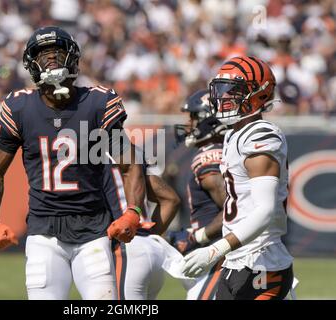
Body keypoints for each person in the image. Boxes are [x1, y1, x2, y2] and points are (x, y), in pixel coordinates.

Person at [0, 26, 146, 300]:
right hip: (44, 233)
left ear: (73, 58)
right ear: (31, 64)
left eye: (57, 52)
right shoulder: (20, 108)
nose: (51, 59)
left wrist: (133, 211)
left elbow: (129, 165)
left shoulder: (97, 103)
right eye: (43, 54)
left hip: (93, 230)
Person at [181, 56, 294, 300]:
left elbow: (266, 211)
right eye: (221, 90)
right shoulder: (234, 134)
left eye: (233, 92)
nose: (223, 98)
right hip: (237, 261)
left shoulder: (261, 135)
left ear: (259, 95)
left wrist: (215, 249)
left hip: (262, 263)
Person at [171, 89, 228, 300]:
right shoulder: (226, 149)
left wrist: (198, 236)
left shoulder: (208, 156)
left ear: (209, 120)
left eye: (193, 117)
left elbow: (234, 210)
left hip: (223, 256)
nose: (188, 125)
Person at [103, 158, 180, 300]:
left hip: (127, 248)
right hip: (152, 247)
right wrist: (147, 238)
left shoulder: (91, 154)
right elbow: (171, 199)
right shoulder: (133, 155)